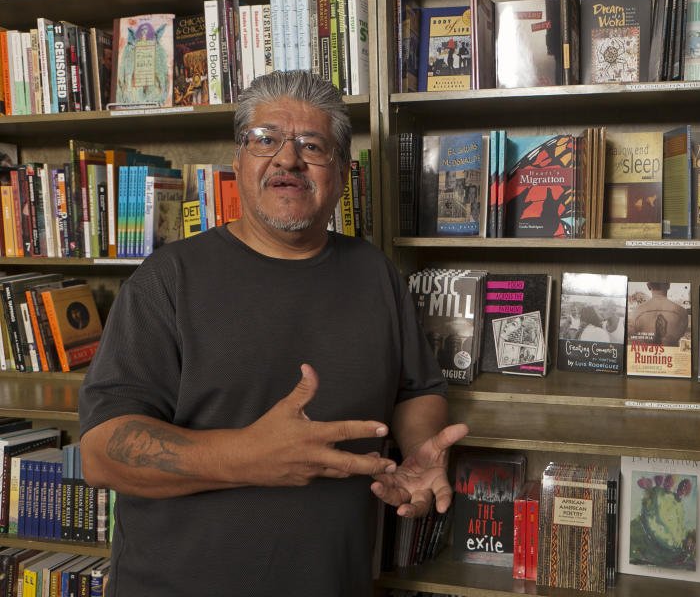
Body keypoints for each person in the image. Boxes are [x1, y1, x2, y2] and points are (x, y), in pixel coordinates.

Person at [78, 70, 469, 597]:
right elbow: (103, 453)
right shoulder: (166, 280)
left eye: (312, 145)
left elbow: (417, 388)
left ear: (342, 171)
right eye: (265, 140)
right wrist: (250, 456)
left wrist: (420, 448)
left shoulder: (375, 274)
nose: (288, 159)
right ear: (238, 162)